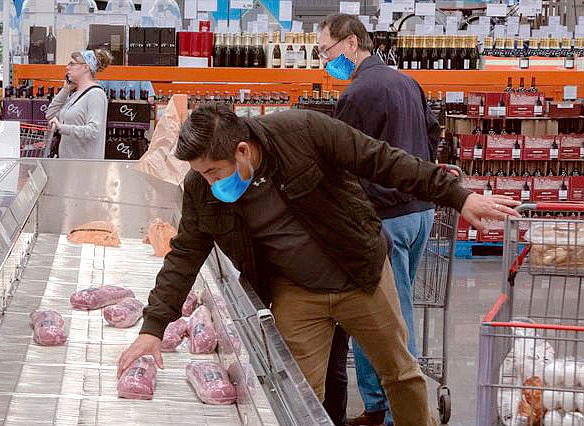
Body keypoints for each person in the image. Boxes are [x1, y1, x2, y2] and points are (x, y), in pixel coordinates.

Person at [116, 103, 519, 426]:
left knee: (399, 372)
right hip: (295, 291)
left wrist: (457, 195)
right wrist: (154, 327)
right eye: (200, 174)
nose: (207, 183)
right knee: (296, 392)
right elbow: (185, 255)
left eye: (212, 172)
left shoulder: (303, 132)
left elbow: (382, 160)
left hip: (358, 273)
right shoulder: (201, 192)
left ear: (241, 150)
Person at [317, 14, 441, 426]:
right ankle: (380, 407)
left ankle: (389, 412)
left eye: (327, 52)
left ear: (352, 43)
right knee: (394, 311)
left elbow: (338, 158)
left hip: (384, 218)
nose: (324, 62)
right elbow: (434, 133)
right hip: (420, 213)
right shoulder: (407, 82)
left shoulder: (358, 93)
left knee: (382, 319)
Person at [46, 49, 111, 159]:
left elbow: (94, 130)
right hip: (68, 164)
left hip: (84, 167)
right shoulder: (74, 94)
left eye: (72, 64)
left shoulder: (96, 95)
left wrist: (62, 128)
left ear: (86, 67)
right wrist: (65, 90)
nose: (67, 68)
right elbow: (50, 115)